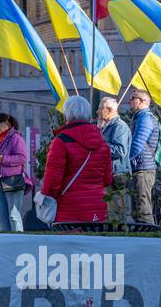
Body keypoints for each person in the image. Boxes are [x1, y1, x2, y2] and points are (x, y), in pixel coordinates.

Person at [40, 95, 113, 225]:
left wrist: (45, 197)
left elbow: (52, 181)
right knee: (94, 243)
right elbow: (107, 179)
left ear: (67, 115)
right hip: (96, 206)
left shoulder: (61, 141)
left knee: (68, 244)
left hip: (68, 208)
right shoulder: (102, 142)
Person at [0, 112, 29, 232]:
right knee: (2, 217)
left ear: (4, 124)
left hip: (11, 181)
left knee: (13, 215)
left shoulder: (15, 138)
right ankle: (6, 244)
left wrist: (4, 159)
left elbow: (22, 158)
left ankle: (18, 241)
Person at [127, 88, 160, 225]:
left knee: (143, 210)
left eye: (132, 98)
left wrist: (125, 161)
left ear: (142, 102)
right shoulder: (141, 117)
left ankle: (149, 240)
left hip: (143, 169)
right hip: (141, 167)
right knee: (138, 210)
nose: (129, 101)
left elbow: (137, 144)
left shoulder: (145, 118)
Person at [97, 96, 131, 225]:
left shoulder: (119, 127)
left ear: (109, 110)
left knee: (116, 212)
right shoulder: (107, 126)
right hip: (110, 173)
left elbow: (120, 151)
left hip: (118, 175)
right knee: (109, 211)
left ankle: (119, 236)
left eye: (100, 108)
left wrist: (100, 144)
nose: (98, 112)